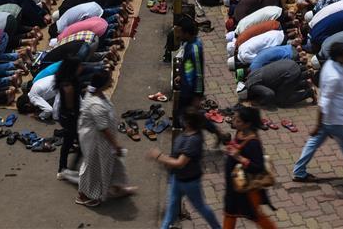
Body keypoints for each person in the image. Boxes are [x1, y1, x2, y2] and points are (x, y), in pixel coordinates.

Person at [292, 42, 343, 183]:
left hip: (329, 118)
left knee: (313, 143)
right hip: (334, 119)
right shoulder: (333, 77)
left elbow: (337, 91)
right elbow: (323, 103)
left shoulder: (331, 64)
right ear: (340, 56)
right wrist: (317, 125)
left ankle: (299, 171)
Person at [146, 107, 221, 229]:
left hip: (189, 182)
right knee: (171, 211)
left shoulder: (193, 140)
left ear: (187, 122)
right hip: (177, 178)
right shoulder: (187, 133)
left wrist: (159, 156)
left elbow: (180, 163)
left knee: (201, 208)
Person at [76, 71, 136, 207]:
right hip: (96, 141)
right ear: (103, 84)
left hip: (103, 140)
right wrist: (116, 145)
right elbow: (103, 128)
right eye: (110, 80)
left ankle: (117, 188)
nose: (112, 81)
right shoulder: (95, 104)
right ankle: (83, 195)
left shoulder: (96, 92)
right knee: (93, 168)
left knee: (112, 164)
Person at [223, 105, 276, 229]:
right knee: (230, 213)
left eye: (238, 120)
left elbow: (258, 167)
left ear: (247, 124)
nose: (234, 122)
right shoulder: (240, 132)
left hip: (247, 189)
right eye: (234, 118)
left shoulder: (253, 143)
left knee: (256, 216)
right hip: (234, 186)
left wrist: (239, 158)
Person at [55, 57, 82, 182]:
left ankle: (63, 169)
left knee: (68, 142)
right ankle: (67, 170)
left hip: (67, 116)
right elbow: (71, 104)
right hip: (70, 117)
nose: (82, 67)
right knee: (78, 143)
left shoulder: (66, 80)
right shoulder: (68, 85)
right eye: (79, 66)